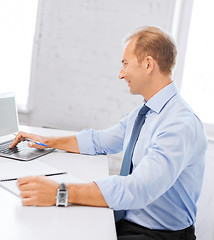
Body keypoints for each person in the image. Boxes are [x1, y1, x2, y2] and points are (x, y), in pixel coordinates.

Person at [10, 26, 207, 240]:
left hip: (159, 235)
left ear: (148, 64)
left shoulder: (179, 124)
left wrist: (60, 192)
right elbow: (99, 141)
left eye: (125, 64)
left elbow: (138, 188)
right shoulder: (147, 113)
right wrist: (47, 141)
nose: (120, 74)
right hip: (130, 221)